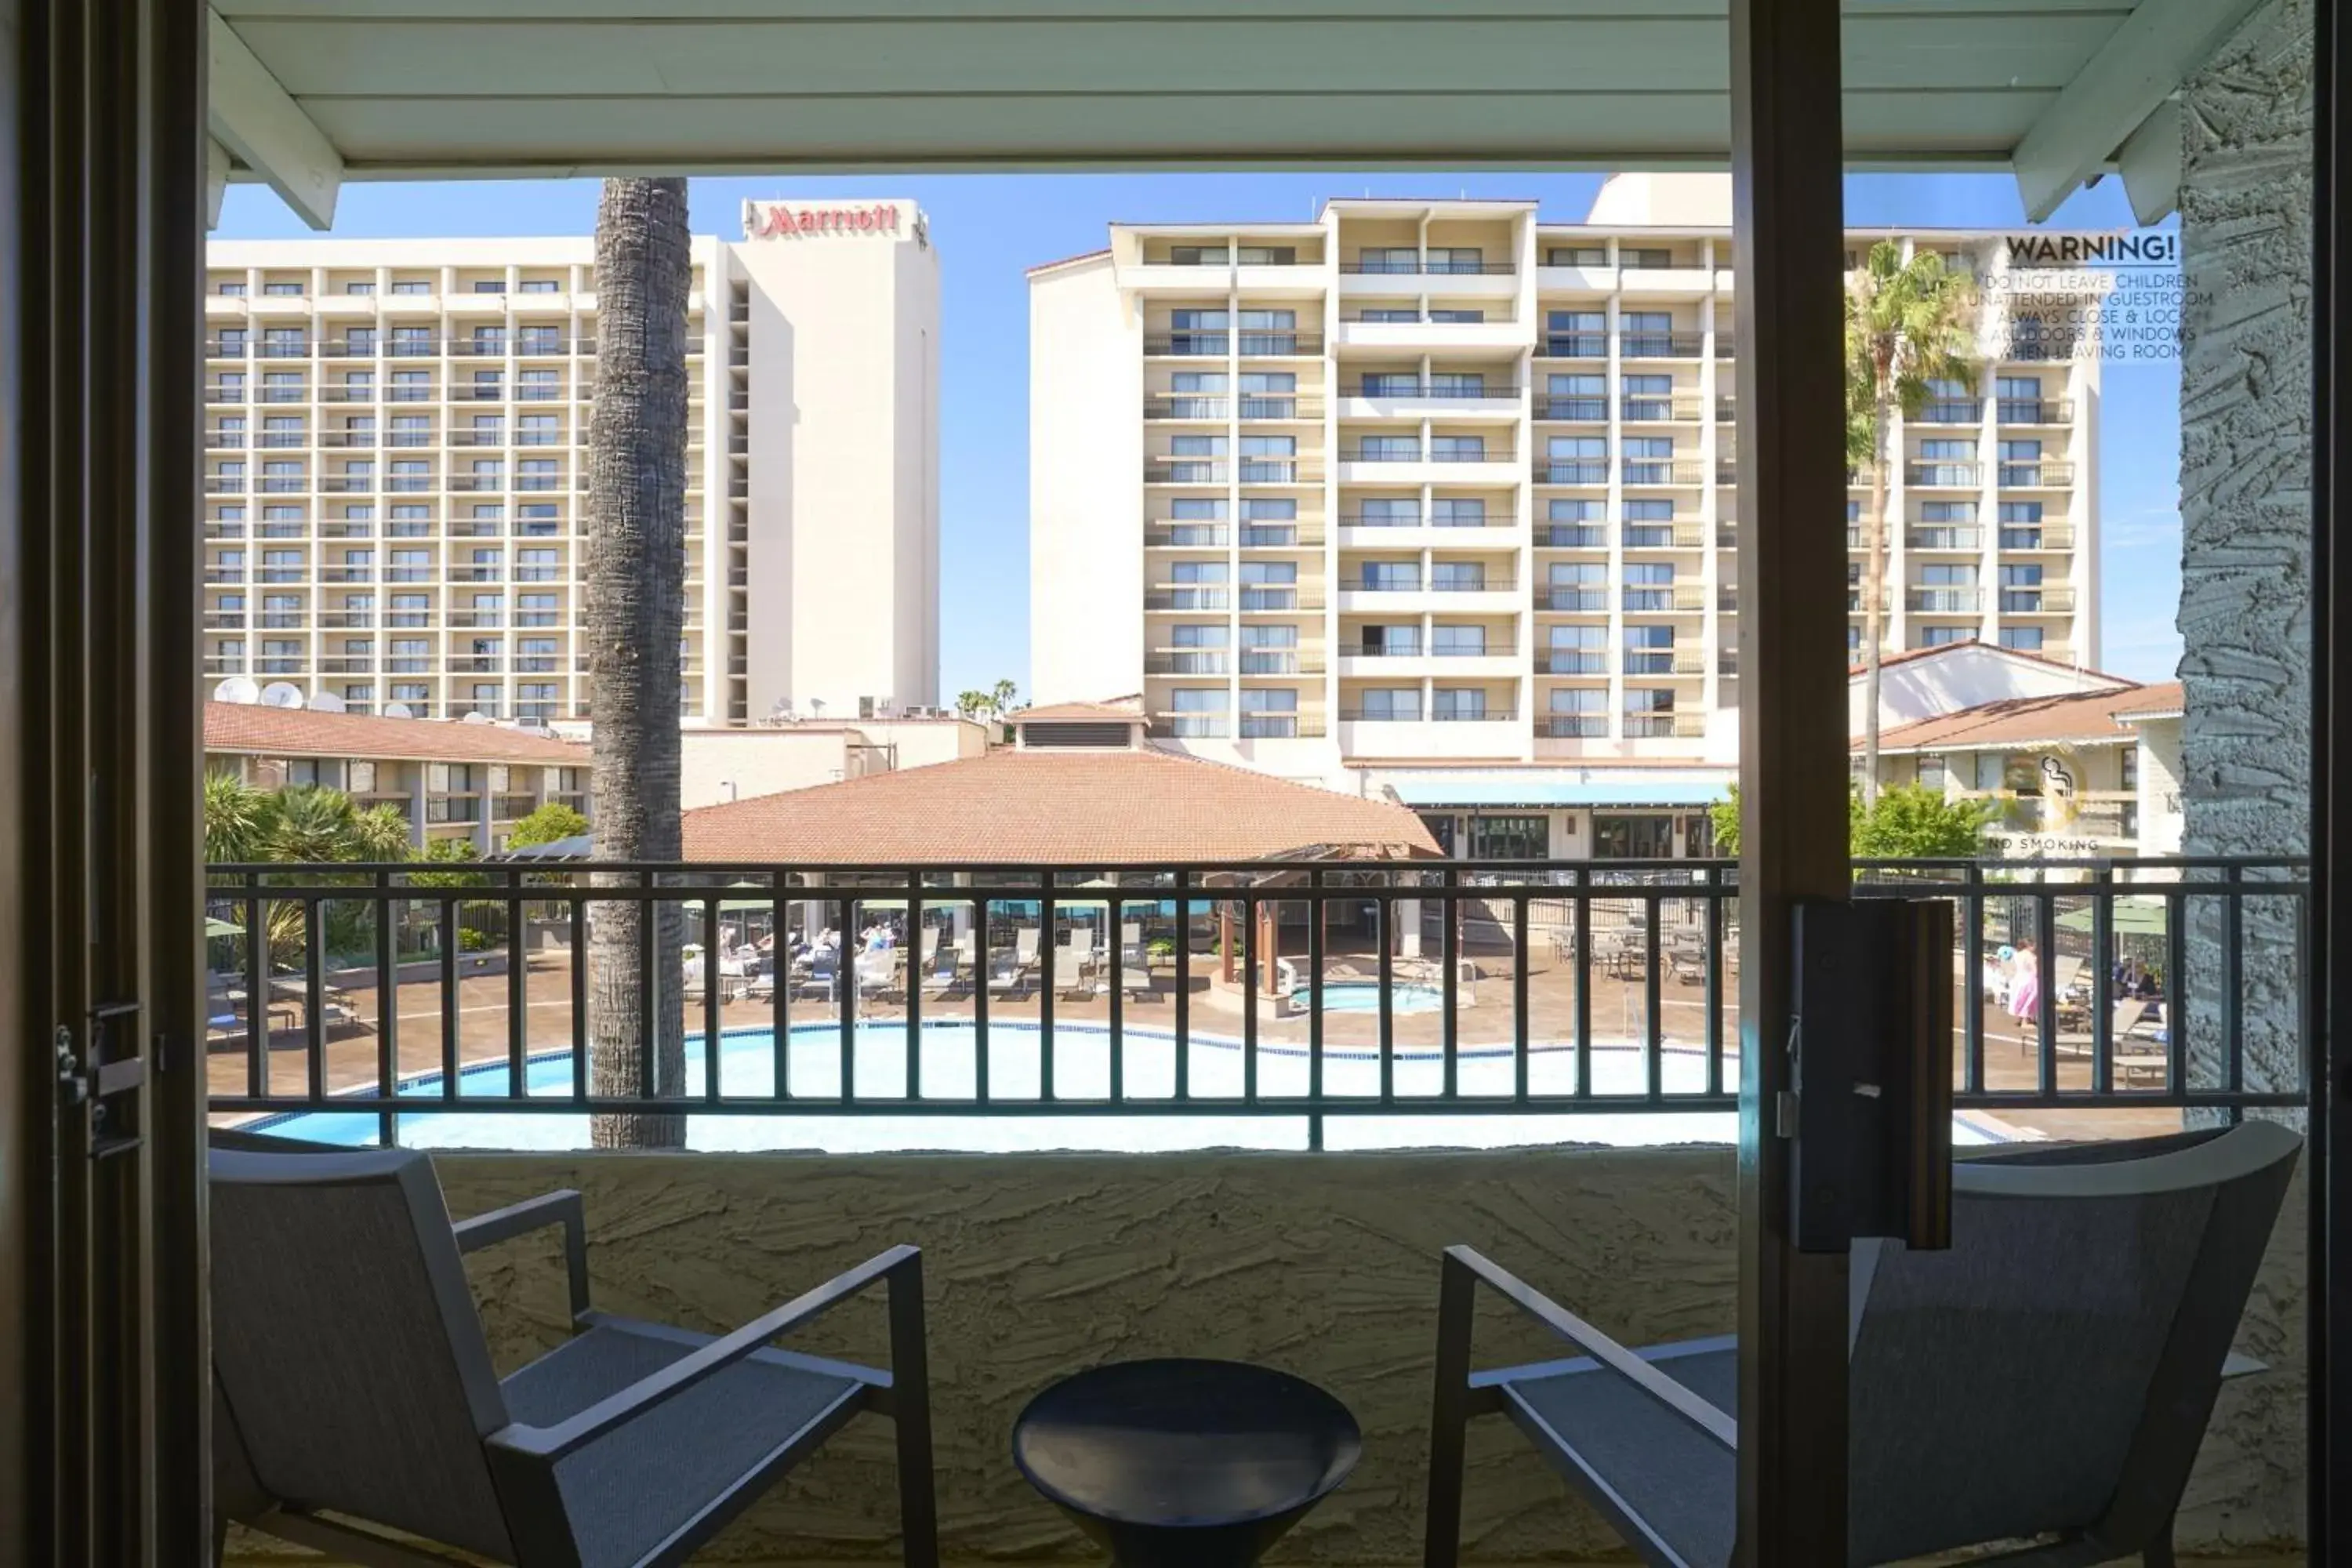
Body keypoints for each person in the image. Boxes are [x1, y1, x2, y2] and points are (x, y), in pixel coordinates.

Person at [2009, 939, 2042, 1037]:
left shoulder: (2017, 954)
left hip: (2019, 978)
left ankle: (2021, 1019)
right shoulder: (2030, 956)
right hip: (2030, 979)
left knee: (2021, 998)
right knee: (2030, 999)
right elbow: (2035, 969)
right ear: (2029, 946)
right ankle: (2025, 1021)